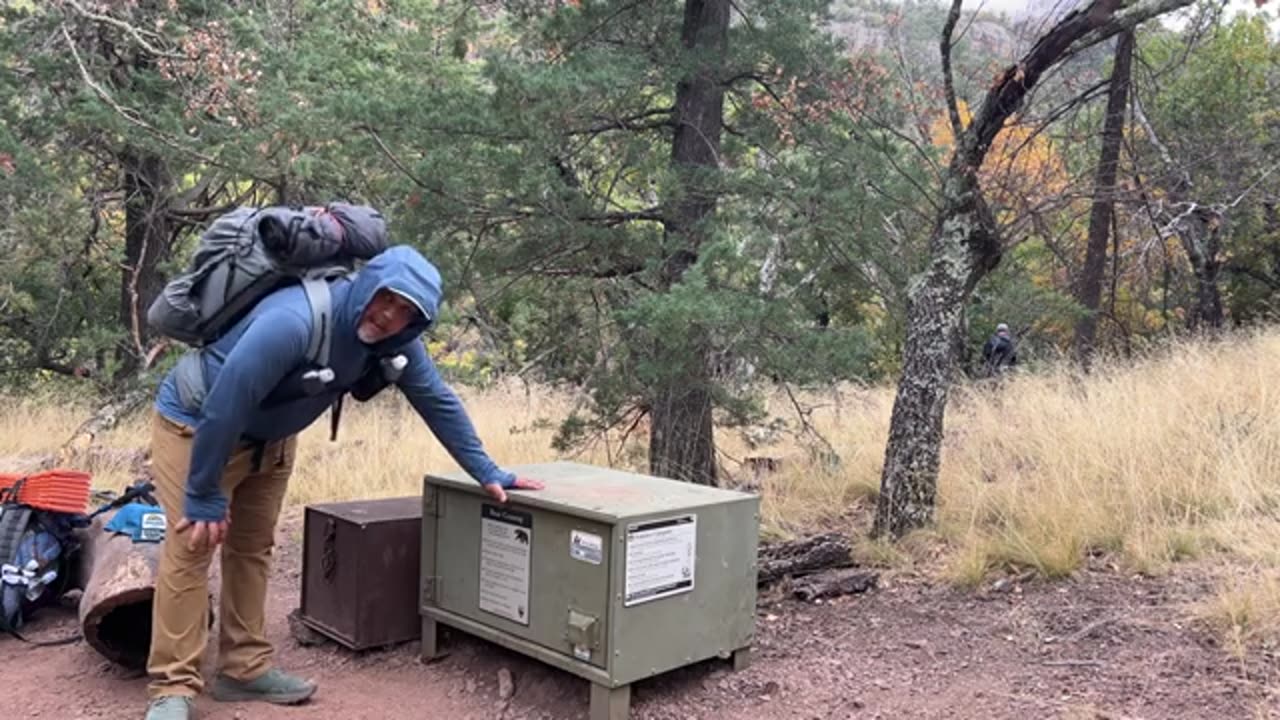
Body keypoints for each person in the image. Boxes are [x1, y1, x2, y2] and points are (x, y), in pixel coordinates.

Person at [143, 245, 543, 720]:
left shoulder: (395, 341)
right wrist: (204, 492)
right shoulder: (294, 321)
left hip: (270, 442)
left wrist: (487, 471)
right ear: (368, 284)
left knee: (252, 548)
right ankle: (173, 687)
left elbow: (436, 398)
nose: (389, 317)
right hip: (197, 428)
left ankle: (243, 668)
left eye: (406, 313)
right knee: (192, 548)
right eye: (387, 299)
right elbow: (225, 404)